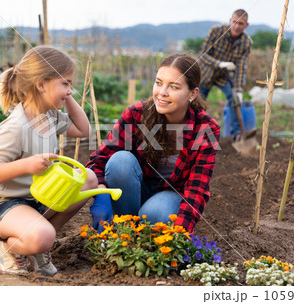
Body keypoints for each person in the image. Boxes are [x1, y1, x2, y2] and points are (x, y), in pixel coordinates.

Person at [0, 46, 97, 275]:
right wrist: (26, 164)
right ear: (41, 85)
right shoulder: (15, 127)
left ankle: (38, 247)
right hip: (2, 206)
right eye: (65, 84)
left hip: (36, 199)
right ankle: (8, 249)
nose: (69, 90)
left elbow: (83, 130)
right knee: (43, 235)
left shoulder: (49, 116)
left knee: (88, 179)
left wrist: (67, 97)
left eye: (70, 85)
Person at [87, 54, 220, 234]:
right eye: (158, 83)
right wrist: (101, 194)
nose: (162, 92)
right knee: (121, 161)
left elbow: (197, 188)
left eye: (174, 86)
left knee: (156, 213)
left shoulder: (205, 128)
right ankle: (122, 233)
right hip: (132, 191)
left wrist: (179, 235)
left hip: (169, 195)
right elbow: (99, 161)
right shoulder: (136, 115)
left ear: (192, 93)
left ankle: (144, 239)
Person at [198, 9, 253, 141]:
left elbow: (241, 68)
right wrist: (220, 63)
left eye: (241, 23)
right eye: (235, 22)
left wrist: (239, 91)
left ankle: (236, 135)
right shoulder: (216, 31)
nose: (237, 26)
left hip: (223, 76)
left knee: (235, 99)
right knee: (197, 103)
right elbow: (203, 55)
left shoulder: (246, 42)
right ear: (230, 21)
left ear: (246, 25)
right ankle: (194, 132)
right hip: (206, 73)